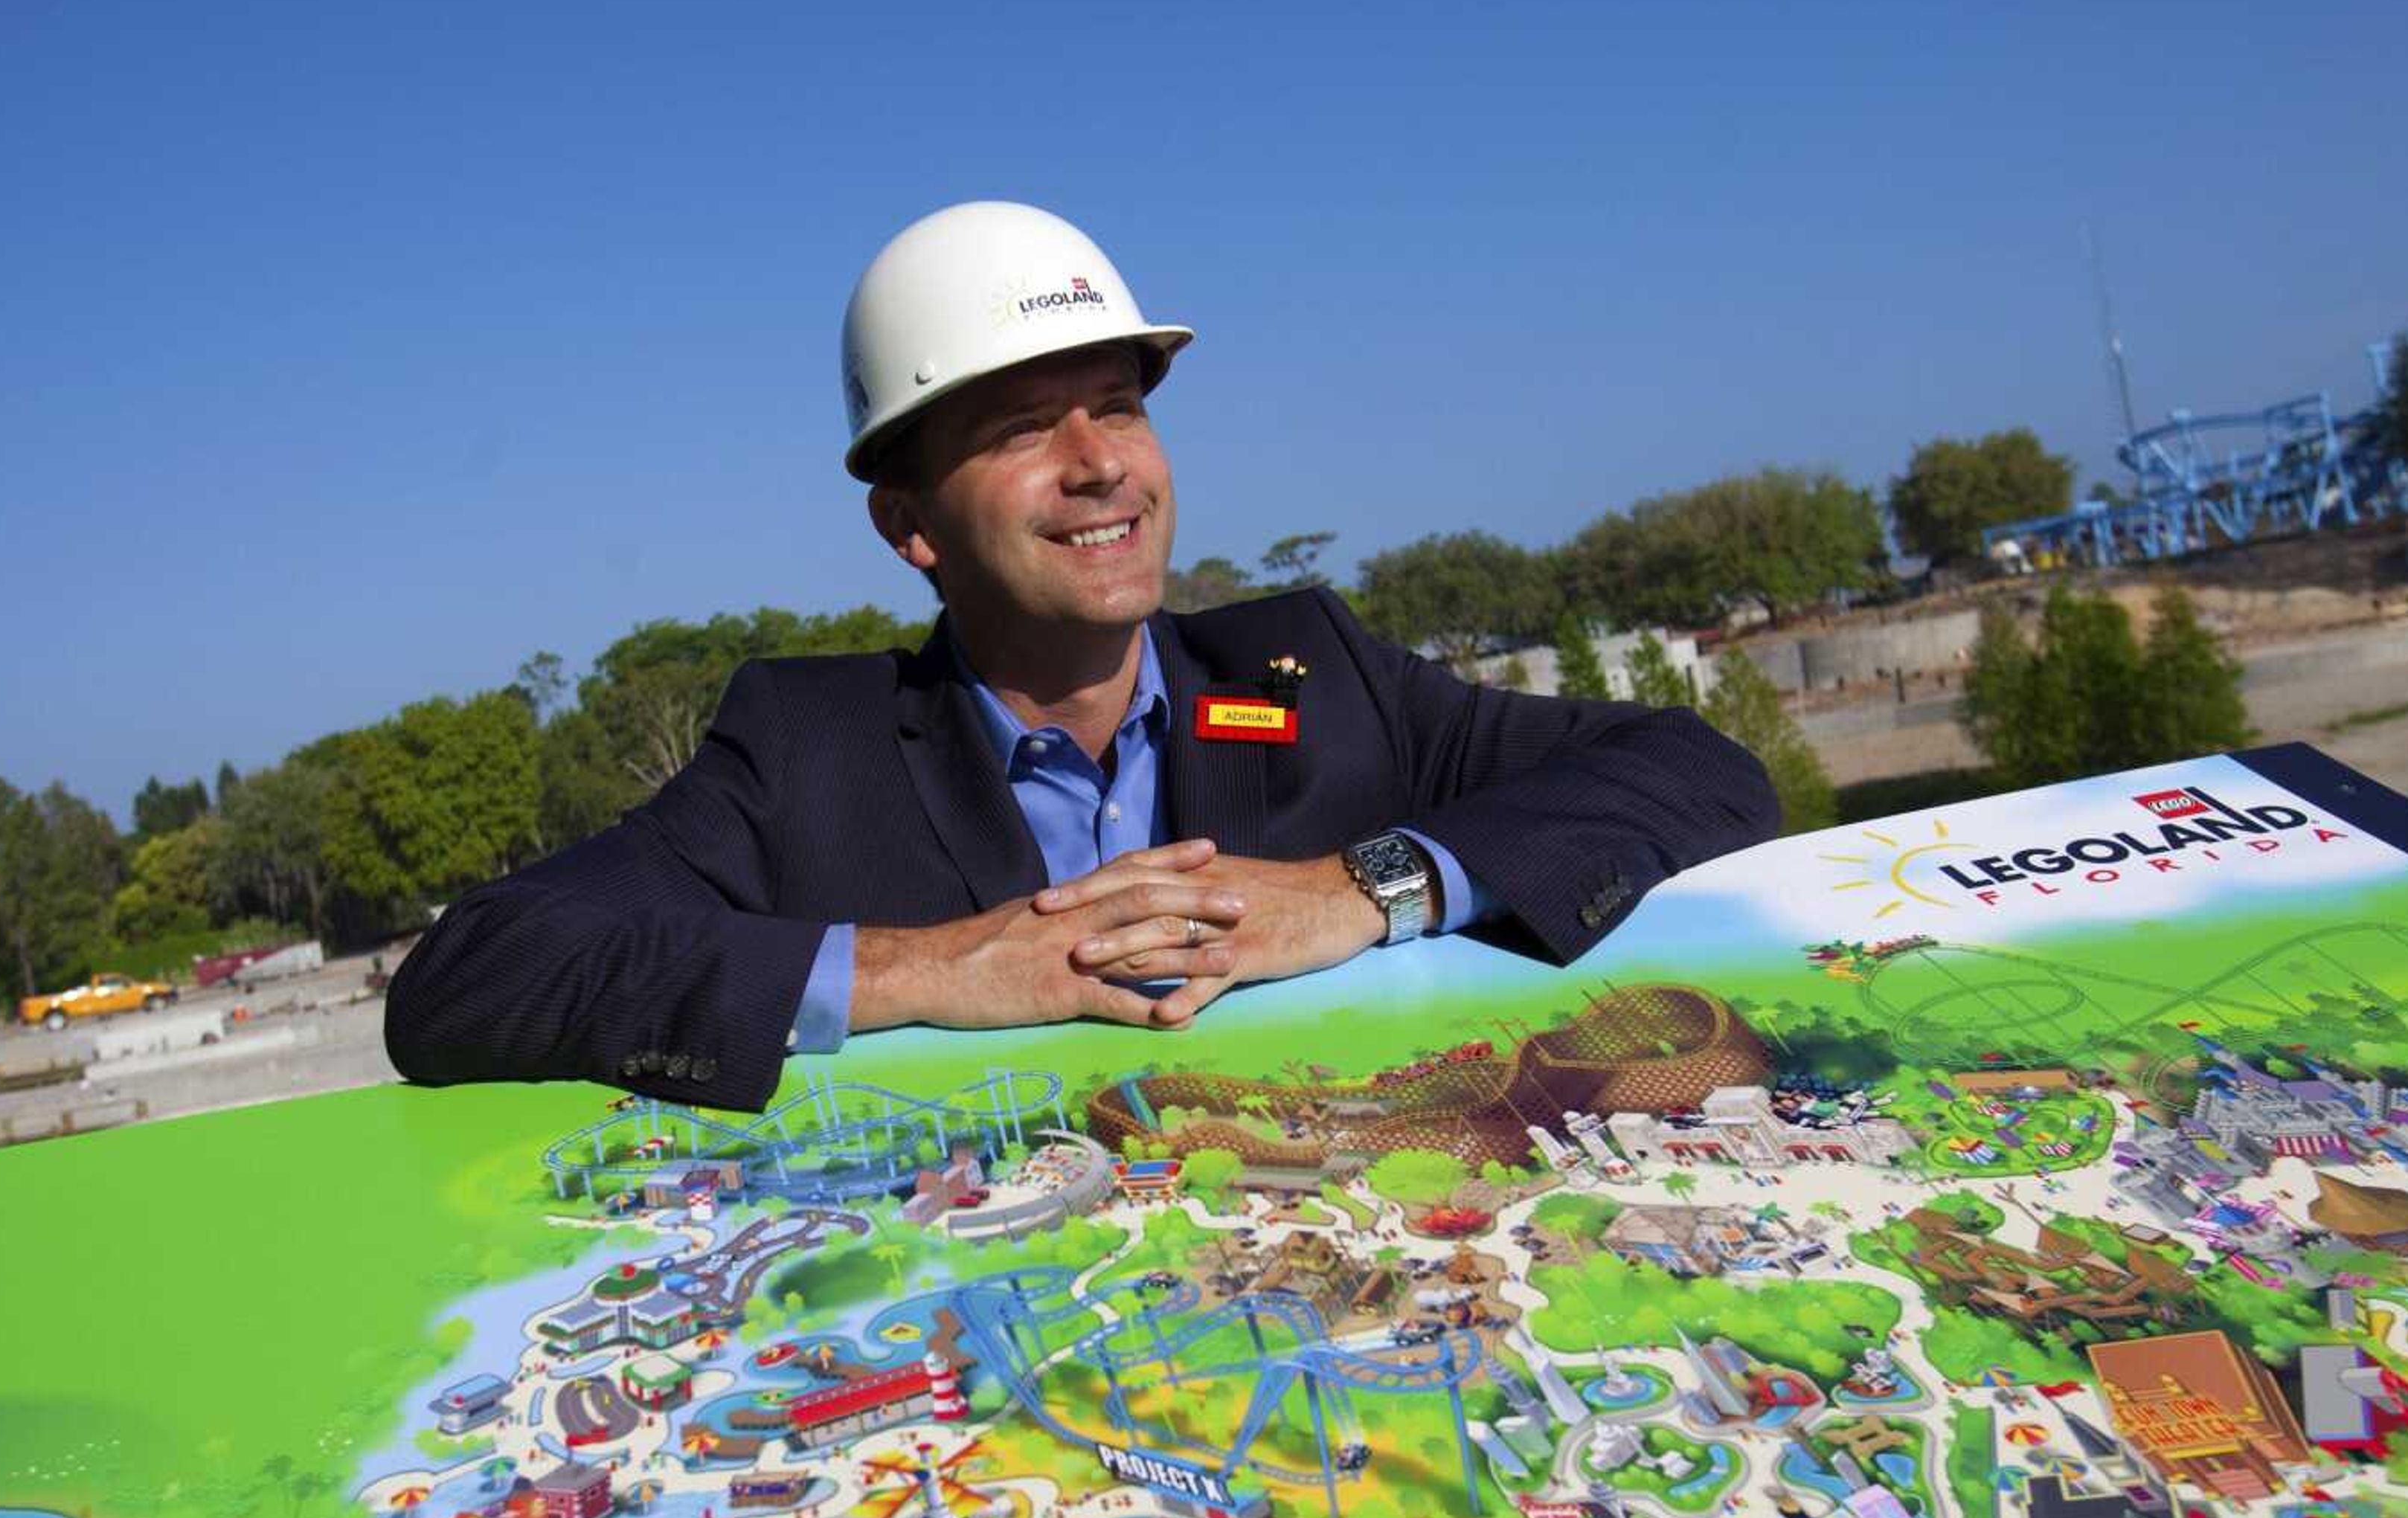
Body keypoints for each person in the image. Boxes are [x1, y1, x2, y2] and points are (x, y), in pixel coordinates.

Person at [386, 202, 1778, 1113]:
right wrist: (933, 971)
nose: (1098, 462)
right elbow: (470, 981)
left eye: (1116, 407)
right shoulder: (807, 756)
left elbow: (1695, 767)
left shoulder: (1310, 670)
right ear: (909, 527)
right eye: (1015, 429)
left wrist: (1363, 888)